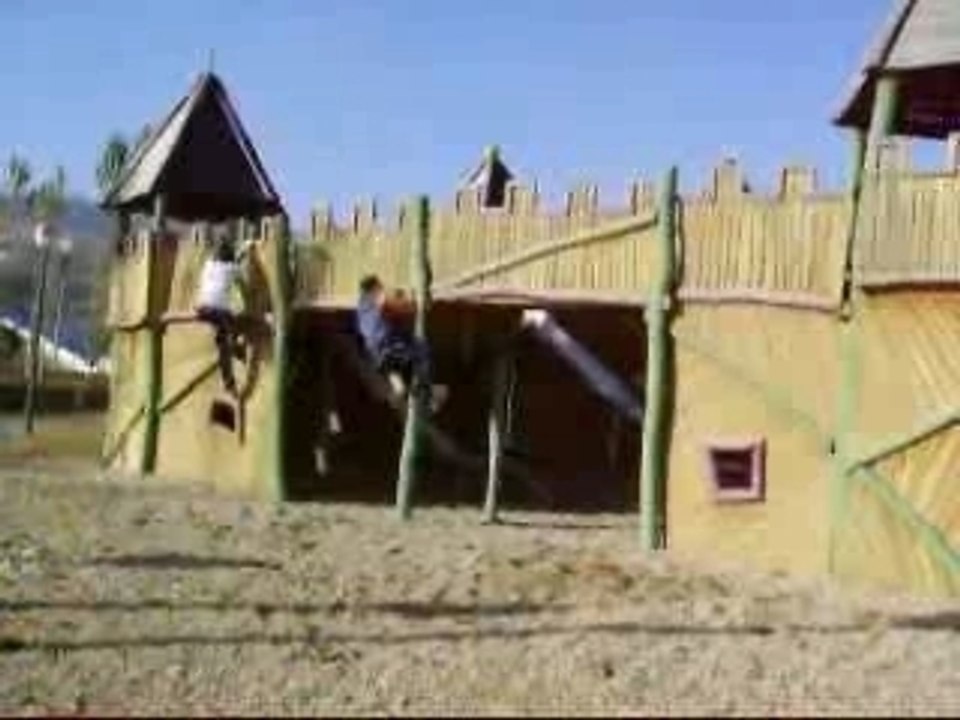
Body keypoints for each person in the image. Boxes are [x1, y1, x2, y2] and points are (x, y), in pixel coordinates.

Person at [355, 274, 447, 412]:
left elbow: (378, 321)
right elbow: (390, 303)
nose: (382, 288)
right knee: (421, 348)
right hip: (389, 346)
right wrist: (417, 307)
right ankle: (427, 391)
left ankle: (400, 390)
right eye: (380, 286)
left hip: (375, 353)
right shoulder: (377, 297)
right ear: (374, 287)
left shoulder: (361, 309)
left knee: (391, 366)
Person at [196, 235, 250, 396]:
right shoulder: (234, 269)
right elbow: (244, 288)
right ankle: (237, 351)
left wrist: (242, 251)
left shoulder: (208, 264)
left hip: (202, 308)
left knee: (222, 340)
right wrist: (249, 306)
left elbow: (229, 264)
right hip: (219, 310)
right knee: (230, 337)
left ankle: (235, 356)